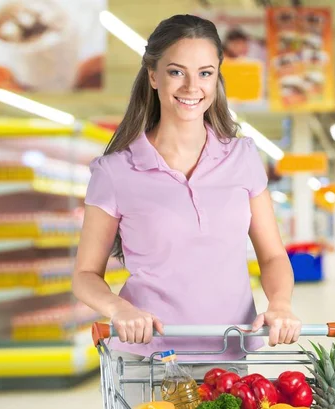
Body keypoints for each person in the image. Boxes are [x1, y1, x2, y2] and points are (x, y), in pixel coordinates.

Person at [71, 14, 301, 403]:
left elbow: (274, 255)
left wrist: (279, 304)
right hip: (150, 360)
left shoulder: (243, 156)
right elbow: (84, 275)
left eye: (206, 73)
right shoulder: (115, 171)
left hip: (229, 357)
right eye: (177, 72)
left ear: (217, 79)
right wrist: (118, 308)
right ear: (153, 75)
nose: (193, 87)